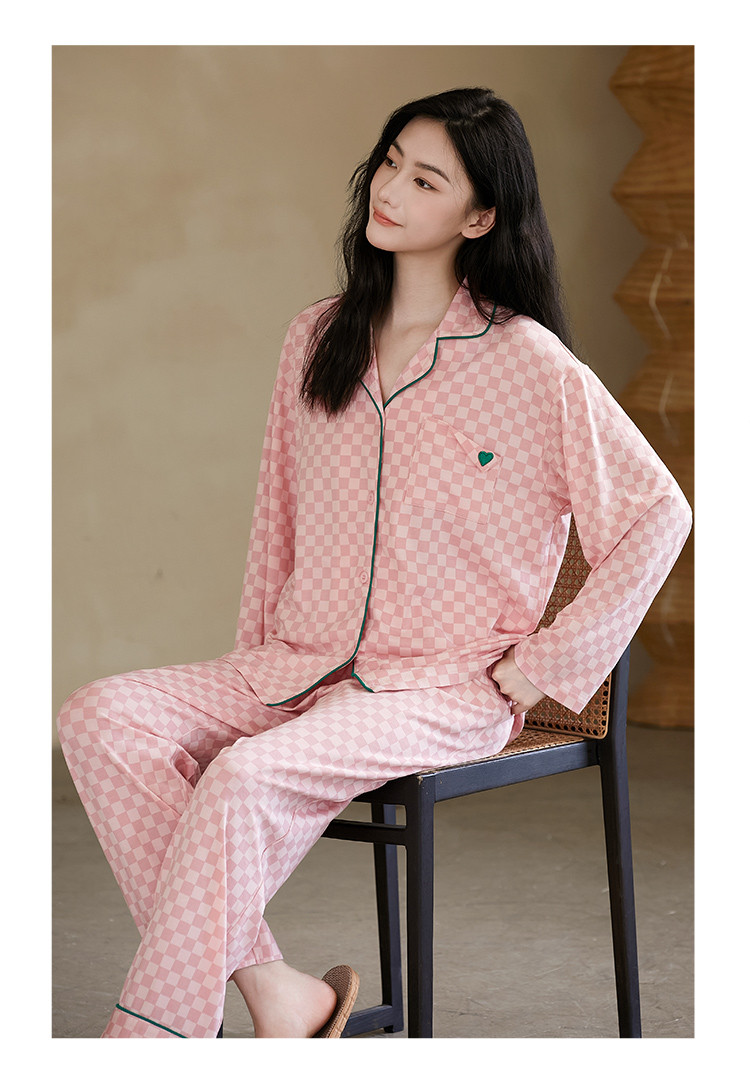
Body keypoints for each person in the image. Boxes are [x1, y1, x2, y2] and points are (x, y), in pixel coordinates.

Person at [56, 86, 692, 1039]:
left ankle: (149, 1042)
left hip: (440, 686)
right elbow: (277, 518)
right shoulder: (317, 338)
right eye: (391, 162)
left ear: (480, 217)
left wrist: (550, 665)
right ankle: (279, 994)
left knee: (243, 779)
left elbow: (658, 514)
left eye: (426, 180)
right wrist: (255, 661)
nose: (390, 190)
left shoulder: (530, 363)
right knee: (99, 716)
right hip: (296, 661)